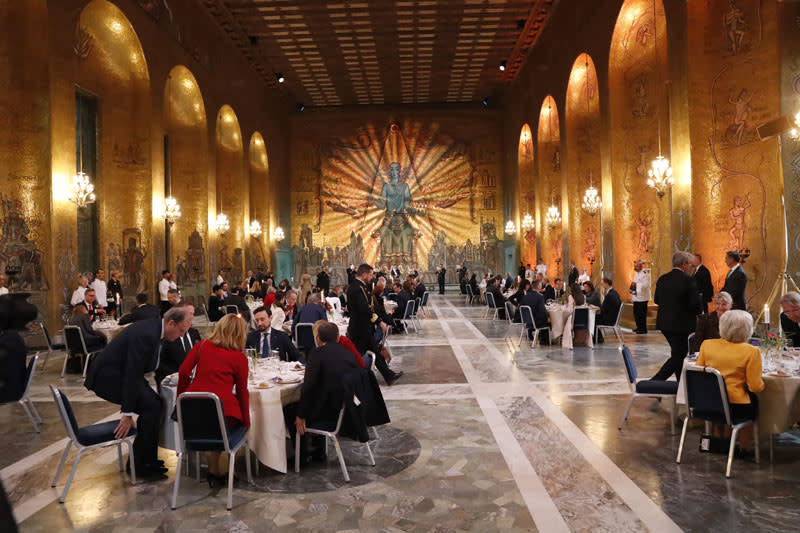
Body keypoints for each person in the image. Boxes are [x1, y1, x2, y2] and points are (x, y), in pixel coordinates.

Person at [85, 307, 193, 479]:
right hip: (108, 376)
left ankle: (147, 460)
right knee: (151, 408)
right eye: (181, 331)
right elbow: (132, 372)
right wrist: (127, 412)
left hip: (121, 373)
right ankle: (140, 466)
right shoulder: (147, 334)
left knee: (156, 405)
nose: (181, 336)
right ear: (171, 323)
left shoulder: (157, 329)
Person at [178, 314, 250, 487]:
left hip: (193, 412)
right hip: (220, 415)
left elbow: (183, 372)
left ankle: (214, 470)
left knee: (215, 424)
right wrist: (247, 421)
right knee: (229, 422)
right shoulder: (239, 358)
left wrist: (181, 401)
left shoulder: (201, 346)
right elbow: (241, 391)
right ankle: (227, 471)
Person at [287, 321, 362, 462]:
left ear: (318, 339)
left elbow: (308, 386)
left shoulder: (317, 354)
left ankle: (301, 457)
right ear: (337, 337)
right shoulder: (348, 354)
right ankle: (319, 450)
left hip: (327, 414)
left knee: (290, 409)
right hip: (345, 410)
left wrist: (301, 415)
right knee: (317, 399)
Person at [696, 310, 764, 455]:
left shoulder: (707, 345)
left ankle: (721, 440)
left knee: (722, 396)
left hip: (707, 402)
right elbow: (755, 386)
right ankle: (744, 448)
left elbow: (699, 373)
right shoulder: (752, 351)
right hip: (735, 405)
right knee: (753, 401)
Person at [347, 264, 403, 385]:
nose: (372, 277)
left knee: (374, 352)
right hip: (359, 328)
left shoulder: (362, 286)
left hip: (363, 327)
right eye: (371, 274)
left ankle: (388, 375)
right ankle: (356, 379)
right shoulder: (356, 288)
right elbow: (364, 309)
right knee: (359, 354)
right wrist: (379, 321)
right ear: (364, 274)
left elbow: (370, 306)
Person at [651, 252, 702, 382]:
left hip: (664, 324)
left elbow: (657, 299)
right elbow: (695, 305)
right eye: (690, 264)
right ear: (684, 264)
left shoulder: (663, 278)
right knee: (679, 355)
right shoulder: (688, 279)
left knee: (677, 353)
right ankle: (655, 383)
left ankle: (681, 385)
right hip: (682, 325)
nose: (692, 267)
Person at [156, 303, 201, 385]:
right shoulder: (168, 335)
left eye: (192, 313)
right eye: (188, 313)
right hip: (174, 381)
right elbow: (160, 364)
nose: (191, 317)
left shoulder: (194, 333)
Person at [596, 278, 622, 343]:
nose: (602, 285)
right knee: (596, 317)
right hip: (614, 317)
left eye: (603, 284)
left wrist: (598, 308)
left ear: (606, 284)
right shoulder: (615, 293)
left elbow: (604, 308)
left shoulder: (609, 295)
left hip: (609, 319)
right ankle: (599, 337)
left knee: (593, 319)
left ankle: (598, 338)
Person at [631, 260, 651, 334]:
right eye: (634, 266)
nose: (635, 267)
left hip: (643, 298)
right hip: (636, 297)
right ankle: (638, 327)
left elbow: (645, 285)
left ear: (640, 266)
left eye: (636, 266)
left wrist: (636, 284)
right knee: (636, 313)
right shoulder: (636, 274)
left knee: (641, 314)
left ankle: (643, 329)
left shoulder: (645, 274)